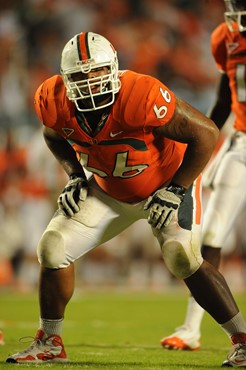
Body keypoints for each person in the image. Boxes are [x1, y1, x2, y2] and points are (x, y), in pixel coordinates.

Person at [5, 30, 246, 367]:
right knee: (52, 247)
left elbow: (205, 132)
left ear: (114, 69)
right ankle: (50, 341)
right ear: (65, 79)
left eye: (98, 72)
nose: (90, 83)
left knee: (182, 257)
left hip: (164, 185)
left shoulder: (140, 94)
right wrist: (74, 175)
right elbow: (53, 135)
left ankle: (242, 339)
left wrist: (177, 187)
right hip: (107, 192)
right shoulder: (52, 98)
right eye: (79, 76)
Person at [161, 0, 246, 357]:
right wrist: (204, 139)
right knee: (210, 234)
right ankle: (192, 327)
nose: (235, 11)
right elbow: (225, 96)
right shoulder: (223, 38)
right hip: (243, 144)